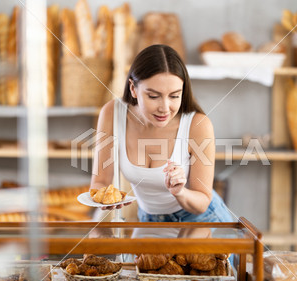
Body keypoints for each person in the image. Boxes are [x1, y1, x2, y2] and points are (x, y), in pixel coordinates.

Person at [90, 44, 233, 231]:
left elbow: (202, 203)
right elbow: (100, 182)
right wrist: (105, 201)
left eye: (174, 96)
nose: (165, 108)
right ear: (133, 89)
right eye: (154, 96)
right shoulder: (112, 113)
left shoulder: (197, 125)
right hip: (149, 220)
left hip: (201, 221)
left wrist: (179, 191)